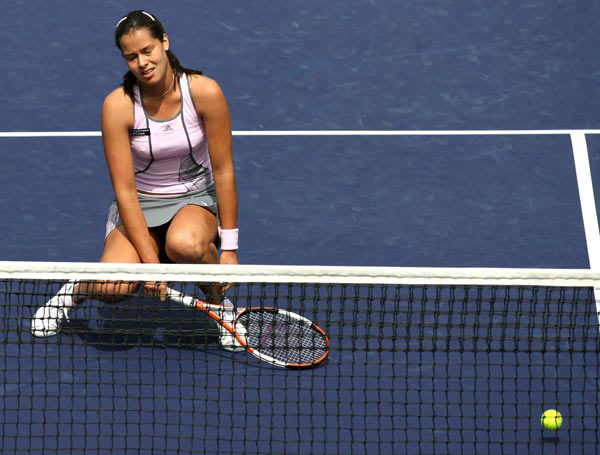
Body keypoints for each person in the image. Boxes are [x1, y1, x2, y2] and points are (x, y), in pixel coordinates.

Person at [31, 10, 243, 351]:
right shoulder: (118, 106)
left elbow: (224, 171)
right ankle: (77, 289)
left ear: (164, 42)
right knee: (113, 289)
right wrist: (151, 266)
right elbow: (125, 191)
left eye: (148, 50)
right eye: (132, 56)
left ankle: (220, 305)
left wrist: (229, 249)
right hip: (140, 204)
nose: (142, 62)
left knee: (185, 245)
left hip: (192, 199)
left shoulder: (204, 92)